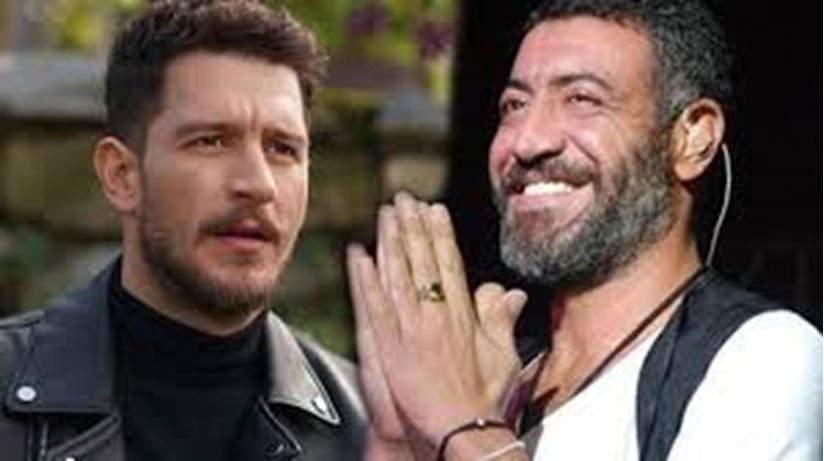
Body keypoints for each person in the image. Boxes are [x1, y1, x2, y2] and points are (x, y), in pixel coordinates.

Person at [347, 0, 822, 460]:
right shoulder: (498, 377)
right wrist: (401, 442)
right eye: (514, 105)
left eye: (581, 99)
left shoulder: (763, 356)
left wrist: (466, 425)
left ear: (693, 137)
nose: (528, 141)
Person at [0, 1, 366, 460]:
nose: (259, 184)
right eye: (211, 141)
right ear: (122, 176)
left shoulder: (371, 427)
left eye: (283, 149)